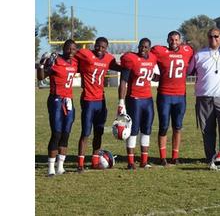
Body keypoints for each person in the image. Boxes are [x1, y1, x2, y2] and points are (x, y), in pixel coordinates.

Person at [188, 28, 220, 165]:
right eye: (210, 36)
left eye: (216, 36)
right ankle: (211, 158)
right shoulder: (200, 55)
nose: (213, 39)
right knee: (207, 130)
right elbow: (189, 71)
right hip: (204, 97)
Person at [75, 37, 123, 172]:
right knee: (85, 133)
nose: (100, 49)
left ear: (106, 48)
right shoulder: (86, 54)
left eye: (103, 47)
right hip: (88, 99)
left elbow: (116, 67)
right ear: (94, 45)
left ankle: (95, 161)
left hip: (101, 100)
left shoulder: (108, 58)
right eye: (98, 46)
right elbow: (72, 54)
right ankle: (80, 163)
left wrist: (127, 67)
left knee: (99, 132)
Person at [151, 31, 194, 166]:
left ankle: (175, 156)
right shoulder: (160, 51)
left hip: (180, 95)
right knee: (163, 126)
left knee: (177, 127)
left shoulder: (187, 50)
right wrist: (153, 75)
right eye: (171, 40)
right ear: (167, 40)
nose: (174, 42)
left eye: (176, 39)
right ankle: (163, 157)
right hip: (164, 95)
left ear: (180, 40)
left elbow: (195, 59)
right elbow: (146, 59)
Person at [37, 39, 78, 176]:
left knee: (66, 133)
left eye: (73, 49)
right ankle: (50, 168)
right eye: (68, 49)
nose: (71, 51)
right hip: (56, 100)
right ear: (63, 48)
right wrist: (42, 65)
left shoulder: (75, 62)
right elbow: (41, 77)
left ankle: (60, 167)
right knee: (56, 133)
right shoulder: (56, 61)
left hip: (69, 100)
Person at [118, 38, 158, 169]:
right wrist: (121, 101)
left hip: (148, 99)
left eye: (145, 47)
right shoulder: (131, 58)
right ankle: (130, 162)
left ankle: (144, 161)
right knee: (133, 130)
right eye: (141, 46)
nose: (143, 49)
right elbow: (123, 81)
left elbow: (154, 75)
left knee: (147, 129)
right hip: (134, 99)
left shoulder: (153, 58)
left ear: (149, 48)